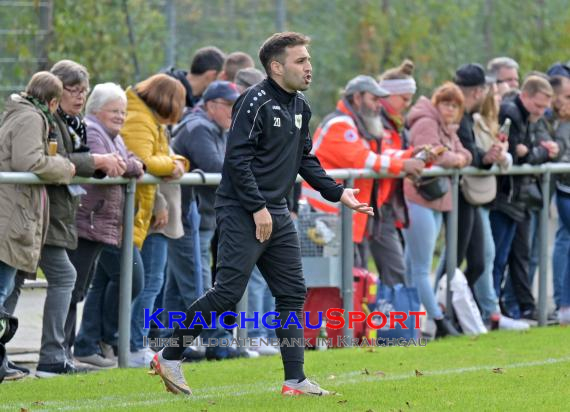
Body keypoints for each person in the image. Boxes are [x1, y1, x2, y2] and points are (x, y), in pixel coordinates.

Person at [150, 31, 372, 396]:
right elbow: (236, 161)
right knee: (227, 293)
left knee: (292, 293)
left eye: (308, 60)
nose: (308, 68)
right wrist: (257, 208)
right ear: (276, 66)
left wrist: (337, 192)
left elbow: (305, 159)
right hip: (242, 210)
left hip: (277, 211)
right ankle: (170, 354)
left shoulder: (300, 106)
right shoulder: (253, 102)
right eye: (300, 61)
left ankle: (295, 380)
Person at [34, 60, 124, 378]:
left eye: (83, 90)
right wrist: (96, 160)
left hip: (68, 214)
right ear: (57, 89)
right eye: (73, 89)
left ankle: (59, 355)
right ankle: (54, 357)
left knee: (70, 284)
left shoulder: (75, 122)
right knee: (58, 281)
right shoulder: (48, 119)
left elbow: (88, 160)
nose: (79, 96)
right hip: (53, 214)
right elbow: (50, 159)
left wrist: (101, 162)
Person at [304, 72, 424, 286]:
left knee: (350, 279)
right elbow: (363, 159)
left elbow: (380, 156)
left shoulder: (355, 124)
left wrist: (410, 156)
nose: (379, 105)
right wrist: (404, 165)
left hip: (339, 215)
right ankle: (330, 319)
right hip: (325, 216)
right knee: (333, 281)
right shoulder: (340, 124)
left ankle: (345, 319)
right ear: (357, 98)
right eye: (374, 99)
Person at [0, 72, 75, 379]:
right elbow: (29, 162)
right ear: (54, 101)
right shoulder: (31, 118)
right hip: (12, 214)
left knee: (7, 287)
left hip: (15, 212)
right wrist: (65, 166)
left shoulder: (18, 112)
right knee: (2, 289)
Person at [66, 83, 144, 367]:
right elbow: (109, 167)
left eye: (123, 111)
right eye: (115, 111)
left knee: (99, 283)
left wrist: (126, 164)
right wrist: (125, 164)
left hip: (107, 224)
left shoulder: (114, 136)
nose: (121, 117)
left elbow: (132, 163)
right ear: (97, 110)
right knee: (76, 287)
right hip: (89, 220)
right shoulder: (93, 129)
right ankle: (78, 347)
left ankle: (92, 343)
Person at [403, 82, 472, 338]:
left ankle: (412, 324)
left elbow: (463, 152)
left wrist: (458, 157)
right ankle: (439, 321)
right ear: (436, 103)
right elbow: (428, 154)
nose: (450, 110)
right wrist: (455, 159)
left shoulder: (445, 126)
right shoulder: (426, 122)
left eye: (455, 106)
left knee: (412, 266)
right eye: (446, 104)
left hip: (435, 199)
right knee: (421, 267)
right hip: (418, 197)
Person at [491, 75, 559, 321]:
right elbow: (518, 155)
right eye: (538, 106)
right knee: (496, 258)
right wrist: (540, 151)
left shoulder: (529, 117)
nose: (541, 112)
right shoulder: (512, 113)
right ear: (525, 96)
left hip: (517, 197)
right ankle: (491, 309)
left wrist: (532, 151)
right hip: (503, 197)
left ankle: (506, 307)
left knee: (513, 255)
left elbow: (525, 151)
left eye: (545, 108)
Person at [470, 83, 529, 331]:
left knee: (490, 256)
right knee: (483, 257)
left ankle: (488, 312)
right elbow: (478, 156)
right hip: (474, 196)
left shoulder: (491, 122)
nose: (499, 99)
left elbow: (504, 161)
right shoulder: (476, 120)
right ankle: (481, 312)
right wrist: (491, 156)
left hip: (486, 197)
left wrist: (502, 155)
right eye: (494, 94)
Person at [549, 75, 570, 325]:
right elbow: (560, 156)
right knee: (565, 241)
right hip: (564, 189)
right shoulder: (558, 123)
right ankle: (563, 303)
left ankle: (564, 304)